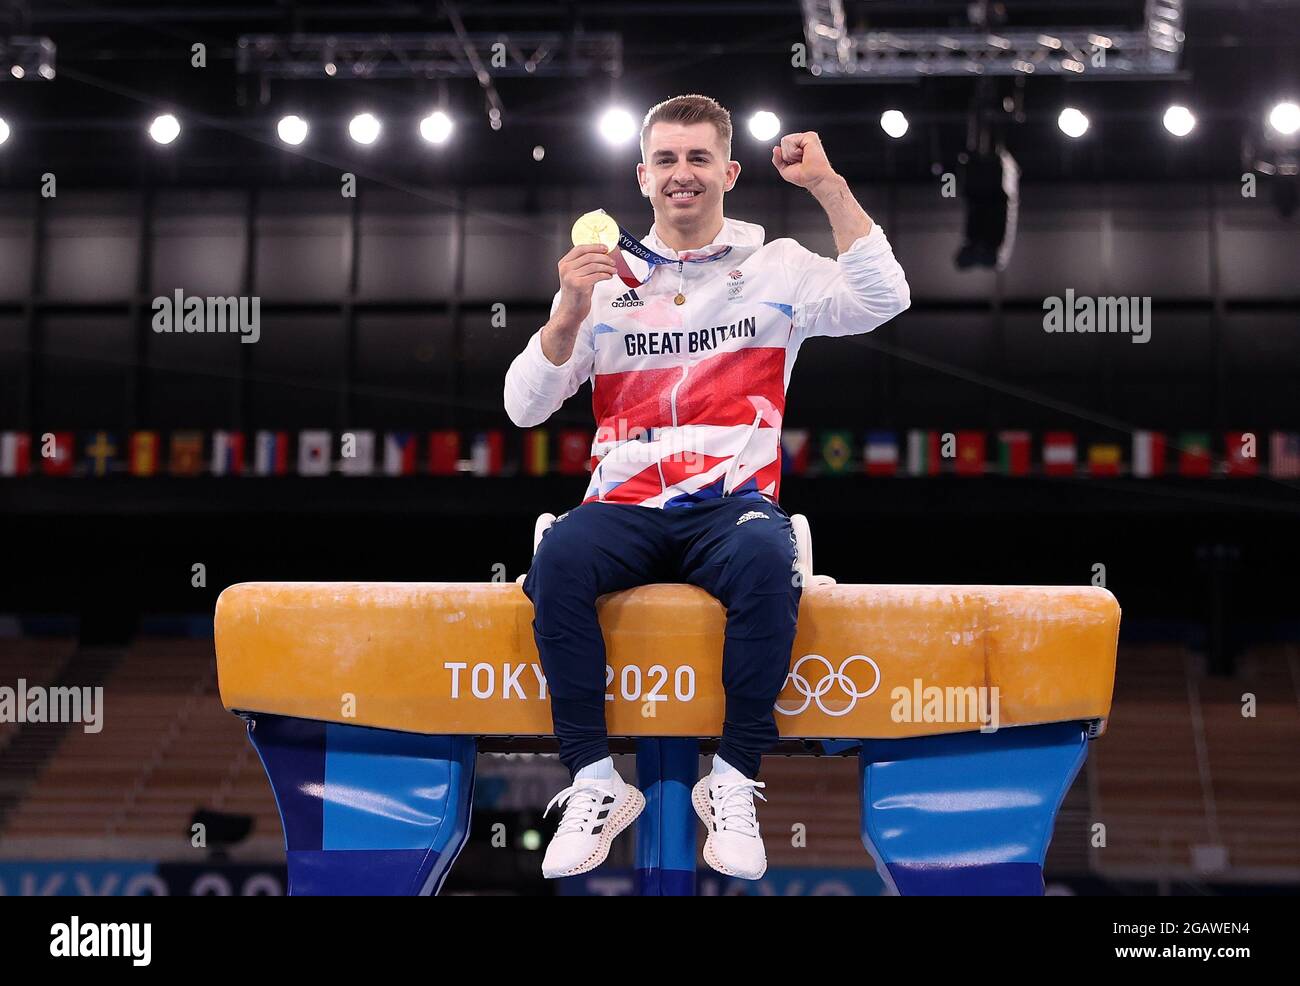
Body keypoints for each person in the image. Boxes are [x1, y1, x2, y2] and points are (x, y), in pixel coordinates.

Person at [503, 93, 910, 881]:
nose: (681, 174)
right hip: (623, 506)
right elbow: (524, 407)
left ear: (727, 170)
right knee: (557, 562)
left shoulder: (778, 267)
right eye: (666, 160)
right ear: (642, 177)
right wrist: (566, 312)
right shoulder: (603, 281)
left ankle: (732, 778)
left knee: (766, 556)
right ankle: (593, 780)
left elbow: (884, 298)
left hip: (731, 510)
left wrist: (828, 187)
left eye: (697, 159)